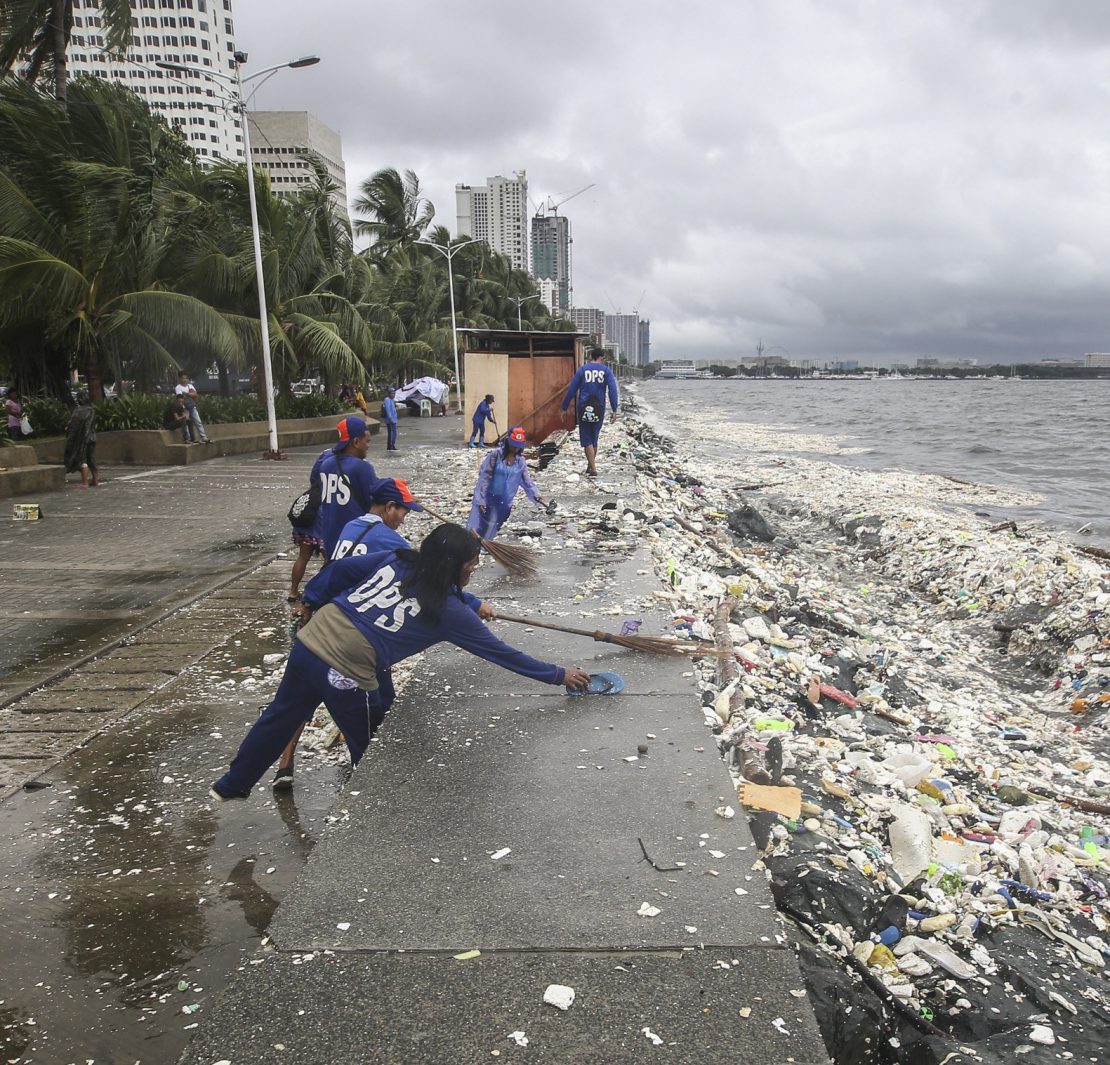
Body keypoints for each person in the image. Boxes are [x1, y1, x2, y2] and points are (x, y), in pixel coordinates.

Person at [210, 524, 590, 800]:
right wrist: (558, 674)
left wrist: (310, 600)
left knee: (281, 716)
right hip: (344, 668)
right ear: (452, 565)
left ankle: (232, 785)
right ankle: (371, 808)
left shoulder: (397, 560)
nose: (475, 568)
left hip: (310, 644)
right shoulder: (449, 612)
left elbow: (341, 570)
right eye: (472, 563)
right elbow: (503, 654)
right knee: (371, 743)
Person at [274, 476, 423, 790]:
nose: (405, 517)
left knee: (300, 697)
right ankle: (371, 770)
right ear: (390, 507)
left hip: (317, 618)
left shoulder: (352, 525)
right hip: (350, 629)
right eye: (404, 510)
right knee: (377, 696)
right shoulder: (392, 542)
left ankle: (285, 766)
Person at [288, 416, 377, 602]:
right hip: (355, 538)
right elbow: (373, 501)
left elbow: (315, 483)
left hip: (329, 536)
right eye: (367, 441)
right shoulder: (363, 468)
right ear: (355, 441)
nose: (369, 445)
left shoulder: (327, 463)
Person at [466, 425, 545, 540]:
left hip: (505, 499)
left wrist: (537, 494)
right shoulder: (496, 455)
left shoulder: (520, 461)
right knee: (484, 522)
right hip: (490, 495)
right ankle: (479, 544)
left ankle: (489, 542)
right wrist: (481, 498)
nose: (515, 449)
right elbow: (485, 477)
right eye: (513, 446)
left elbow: (527, 481)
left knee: (498, 521)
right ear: (508, 442)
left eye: (518, 446)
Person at [561, 349, 619, 477]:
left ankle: (592, 468)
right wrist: (614, 409)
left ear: (591, 357)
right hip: (599, 408)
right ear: (602, 358)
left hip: (584, 407)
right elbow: (612, 390)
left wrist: (564, 407)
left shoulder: (582, 370)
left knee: (586, 437)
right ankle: (590, 465)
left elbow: (572, 389)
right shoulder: (606, 371)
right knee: (594, 437)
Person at [64, 390, 99, 487]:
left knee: (82, 459)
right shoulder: (91, 410)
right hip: (92, 437)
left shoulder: (78, 411)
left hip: (82, 438)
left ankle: (85, 482)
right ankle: (95, 481)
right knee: (91, 459)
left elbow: (72, 426)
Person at [175, 372, 208, 444]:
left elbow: (195, 395)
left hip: (192, 407)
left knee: (198, 422)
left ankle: (204, 437)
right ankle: (188, 438)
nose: (185, 380)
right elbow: (180, 398)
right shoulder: (178, 387)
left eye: (186, 378)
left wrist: (187, 394)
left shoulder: (190, 385)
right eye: (183, 378)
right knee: (186, 423)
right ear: (180, 379)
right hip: (184, 408)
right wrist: (190, 394)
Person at [382, 386, 399, 451]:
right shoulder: (387, 400)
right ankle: (390, 446)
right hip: (390, 420)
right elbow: (388, 410)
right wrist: (390, 418)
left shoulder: (392, 400)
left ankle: (392, 445)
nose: (393, 395)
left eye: (394, 393)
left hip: (394, 419)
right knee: (391, 433)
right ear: (389, 394)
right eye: (392, 393)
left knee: (394, 433)